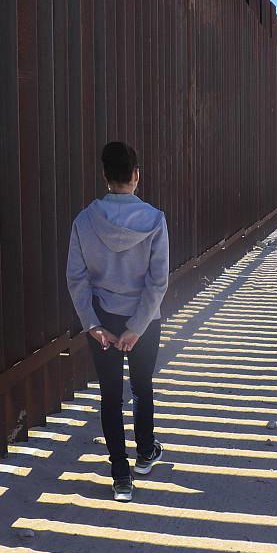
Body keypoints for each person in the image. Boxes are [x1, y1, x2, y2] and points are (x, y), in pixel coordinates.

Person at [66, 141, 168, 502]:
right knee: (142, 387)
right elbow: (158, 281)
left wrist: (93, 325)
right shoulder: (155, 220)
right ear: (136, 176)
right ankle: (144, 453)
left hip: (103, 320)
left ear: (105, 176)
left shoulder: (84, 220)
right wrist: (137, 327)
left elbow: (76, 279)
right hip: (144, 320)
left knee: (110, 397)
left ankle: (120, 476)